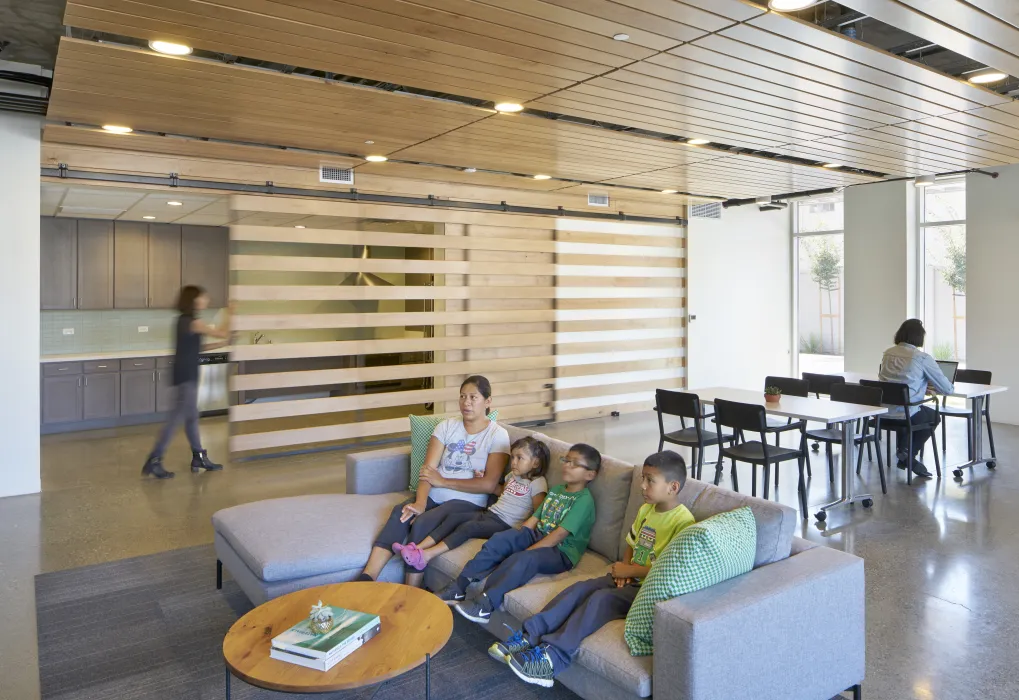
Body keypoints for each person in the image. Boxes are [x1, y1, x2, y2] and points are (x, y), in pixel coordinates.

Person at [493, 450, 694, 688]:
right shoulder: (646, 510)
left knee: (600, 600)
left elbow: (668, 570)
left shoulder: (683, 522)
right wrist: (625, 567)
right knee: (579, 589)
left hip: (646, 589)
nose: (642, 485)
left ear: (672, 487)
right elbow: (632, 543)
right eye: (643, 478)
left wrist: (628, 573)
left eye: (650, 480)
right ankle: (529, 635)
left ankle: (552, 659)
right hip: (626, 575)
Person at [358, 376, 511, 586]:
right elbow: (428, 470)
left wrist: (443, 481)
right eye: (462, 397)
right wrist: (420, 502)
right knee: (402, 512)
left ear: (488, 401)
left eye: (473, 397)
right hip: (434, 495)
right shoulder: (446, 426)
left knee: (423, 522)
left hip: (468, 503)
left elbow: (488, 485)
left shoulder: (497, 435)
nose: (466, 402)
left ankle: (411, 590)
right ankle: (367, 577)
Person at [438, 444, 601, 625]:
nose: (567, 465)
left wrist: (528, 550)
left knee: (525, 559)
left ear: (590, 475)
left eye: (574, 463)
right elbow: (535, 517)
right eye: (566, 460)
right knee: (501, 540)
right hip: (538, 535)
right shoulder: (556, 491)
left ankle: (485, 605)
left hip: (562, 552)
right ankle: (459, 586)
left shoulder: (584, 501)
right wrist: (517, 537)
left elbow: (559, 535)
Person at [395, 436, 550, 571]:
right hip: (492, 514)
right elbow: (501, 492)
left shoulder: (537, 483)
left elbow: (538, 512)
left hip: (508, 524)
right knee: (455, 517)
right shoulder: (511, 476)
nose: (513, 462)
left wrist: (524, 536)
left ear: (535, 463)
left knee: (469, 527)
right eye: (513, 457)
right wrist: (482, 478)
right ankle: (416, 548)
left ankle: (426, 556)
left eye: (519, 458)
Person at [141, 286, 231, 479]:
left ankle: (198, 456)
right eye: (203, 297)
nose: (206, 299)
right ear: (194, 300)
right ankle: (154, 459)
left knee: (191, 418)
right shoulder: (192, 322)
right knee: (175, 420)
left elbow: (198, 346)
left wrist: (222, 345)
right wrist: (230, 311)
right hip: (186, 377)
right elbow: (222, 332)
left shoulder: (185, 321)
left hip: (185, 375)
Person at [879, 318, 954, 478]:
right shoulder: (921, 358)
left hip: (882, 413)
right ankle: (908, 454)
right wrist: (924, 388)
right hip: (905, 414)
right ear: (919, 337)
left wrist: (920, 387)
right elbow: (947, 389)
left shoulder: (887, 353)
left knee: (913, 410)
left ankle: (905, 454)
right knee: (933, 416)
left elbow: (889, 381)